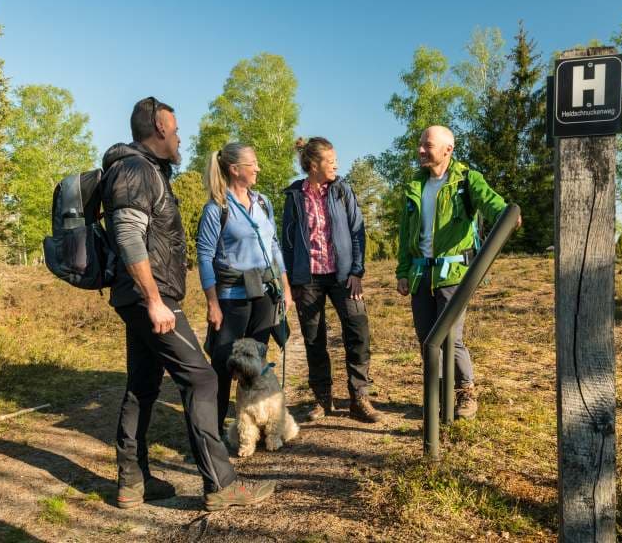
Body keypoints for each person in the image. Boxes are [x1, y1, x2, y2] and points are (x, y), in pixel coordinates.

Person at [101, 97, 275, 512]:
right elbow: (128, 237)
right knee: (202, 379)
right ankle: (221, 484)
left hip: (145, 297)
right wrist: (155, 301)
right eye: (176, 130)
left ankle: (132, 483)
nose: (180, 138)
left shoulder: (144, 170)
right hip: (151, 298)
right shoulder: (135, 170)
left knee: (143, 386)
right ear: (159, 128)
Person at [395, 125, 520, 420]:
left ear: (448, 150)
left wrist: (508, 215)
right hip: (419, 275)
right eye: (420, 144)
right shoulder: (416, 184)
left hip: (453, 274)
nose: (420, 150)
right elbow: (405, 234)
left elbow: (495, 206)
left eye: (427, 145)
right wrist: (402, 271)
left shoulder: (467, 180)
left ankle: (466, 393)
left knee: (451, 338)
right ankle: (437, 397)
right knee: (427, 340)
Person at [196, 142, 294, 437]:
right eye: (253, 163)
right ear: (235, 169)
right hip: (231, 298)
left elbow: (275, 245)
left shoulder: (263, 201)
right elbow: (204, 256)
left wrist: (285, 287)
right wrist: (213, 303)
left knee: (255, 367)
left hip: (264, 294)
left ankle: (253, 428)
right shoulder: (217, 208)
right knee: (224, 368)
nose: (258, 168)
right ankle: (212, 435)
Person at [281, 137, 382, 423]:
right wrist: (291, 281)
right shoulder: (294, 196)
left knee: (358, 328)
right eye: (331, 159)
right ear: (314, 165)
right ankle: (322, 399)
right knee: (314, 340)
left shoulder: (342, 190)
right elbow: (287, 242)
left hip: (342, 276)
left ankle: (359, 397)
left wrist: (357, 272)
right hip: (307, 278)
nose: (337, 164)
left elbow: (357, 232)